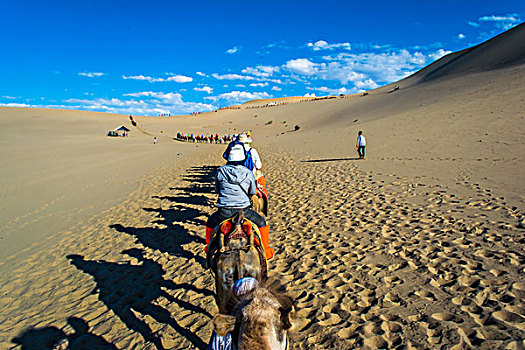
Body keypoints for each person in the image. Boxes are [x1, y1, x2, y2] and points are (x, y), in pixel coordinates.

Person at [206, 144, 274, 260]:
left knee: (210, 223)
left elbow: (217, 189)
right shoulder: (247, 172)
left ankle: (208, 249)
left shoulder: (220, 172)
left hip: (224, 211)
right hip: (244, 211)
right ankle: (266, 251)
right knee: (262, 222)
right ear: (242, 158)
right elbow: (252, 191)